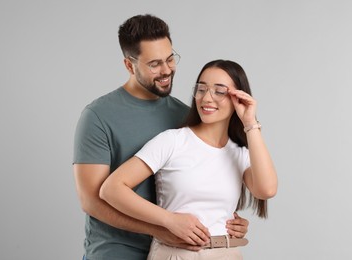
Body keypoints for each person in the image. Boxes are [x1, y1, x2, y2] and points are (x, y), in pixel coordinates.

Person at [73, 14, 249, 260]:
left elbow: (205, 178)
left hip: (177, 250)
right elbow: (91, 201)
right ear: (129, 65)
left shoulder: (186, 114)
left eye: (170, 59)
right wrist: (161, 228)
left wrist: (227, 222)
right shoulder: (98, 116)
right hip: (116, 251)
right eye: (154, 64)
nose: (167, 70)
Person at [100, 59, 278, 259]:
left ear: (238, 98)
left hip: (227, 253)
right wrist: (169, 220)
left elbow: (267, 190)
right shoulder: (173, 141)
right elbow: (111, 189)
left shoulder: (240, 153)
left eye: (219, 91)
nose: (206, 98)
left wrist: (250, 122)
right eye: (201, 89)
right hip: (177, 253)